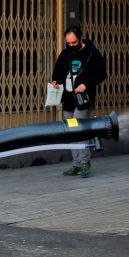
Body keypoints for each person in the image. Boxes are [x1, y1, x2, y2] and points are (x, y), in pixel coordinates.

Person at [50, 25, 107, 177]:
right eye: (68, 43)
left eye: (74, 42)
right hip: (68, 98)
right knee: (70, 131)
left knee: (79, 129)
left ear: (81, 38)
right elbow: (57, 72)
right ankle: (76, 164)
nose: (71, 46)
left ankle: (85, 163)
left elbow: (101, 74)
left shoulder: (92, 53)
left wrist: (85, 84)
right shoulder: (65, 53)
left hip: (83, 100)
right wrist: (55, 81)